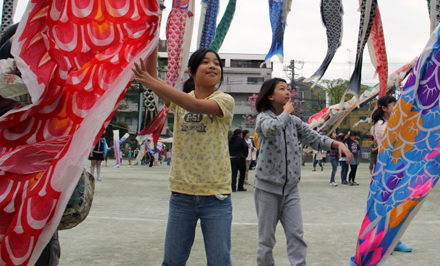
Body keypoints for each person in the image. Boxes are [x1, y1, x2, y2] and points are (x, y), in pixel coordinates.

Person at [133, 47, 234, 266]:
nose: (213, 66)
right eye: (206, 62)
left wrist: (152, 83)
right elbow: (152, 78)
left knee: (220, 262)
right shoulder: (179, 101)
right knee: (172, 261)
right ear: (191, 71)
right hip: (181, 195)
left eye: (216, 63)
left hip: (216, 196)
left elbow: (196, 106)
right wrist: (153, 33)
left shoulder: (224, 100)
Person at [253, 78, 353, 265]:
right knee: (266, 239)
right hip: (267, 189)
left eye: (288, 88)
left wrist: (336, 143)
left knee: (296, 235)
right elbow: (271, 129)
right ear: (270, 96)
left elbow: (314, 138)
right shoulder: (263, 118)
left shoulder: (294, 122)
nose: (287, 92)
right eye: (282, 89)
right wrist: (286, 114)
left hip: (291, 189)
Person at [370, 95, 412, 253]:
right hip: (387, 169)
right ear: (384, 108)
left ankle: (392, 240)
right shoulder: (381, 126)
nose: (396, 106)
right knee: (387, 206)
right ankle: (385, 241)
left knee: (394, 205)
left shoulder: (390, 123)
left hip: (396, 167)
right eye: (393, 104)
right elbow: (397, 137)